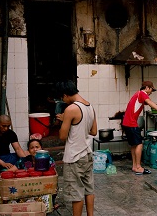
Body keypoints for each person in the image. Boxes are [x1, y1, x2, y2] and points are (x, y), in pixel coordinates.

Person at [55, 80, 97, 216]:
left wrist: (64, 120)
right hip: (87, 154)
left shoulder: (71, 109)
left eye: (63, 97)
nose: (63, 100)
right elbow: (93, 131)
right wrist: (69, 121)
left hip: (74, 157)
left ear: (65, 95)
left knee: (76, 193)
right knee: (88, 189)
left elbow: (62, 136)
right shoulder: (90, 106)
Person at [122, 81, 157, 175]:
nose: (151, 92)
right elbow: (149, 102)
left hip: (126, 122)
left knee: (134, 145)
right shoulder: (142, 93)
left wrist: (156, 106)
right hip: (131, 123)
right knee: (139, 144)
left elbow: (147, 103)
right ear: (147, 87)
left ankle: (134, 166)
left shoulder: (137, 94)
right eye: (151, 90)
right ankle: (138, 167)